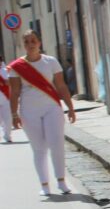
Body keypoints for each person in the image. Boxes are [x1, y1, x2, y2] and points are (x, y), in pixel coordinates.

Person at [9, 30, 76, 195]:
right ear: (23, 45)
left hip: (51, 107)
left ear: (39, 43)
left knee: (56, 144)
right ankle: (44, 185)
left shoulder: (50, 62)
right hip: (29, 110)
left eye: (33, 41)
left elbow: (61, 86)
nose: (30, 45)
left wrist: (70, 107)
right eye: (26, 42)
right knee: (39, 149)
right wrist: (14, 114)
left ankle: (61, 181)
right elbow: (15, 92)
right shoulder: (16, 67)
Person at [0, 56, 12, 143]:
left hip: (6, 98)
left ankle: (7, 135)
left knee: (8, 119)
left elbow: (10, 82)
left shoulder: (5, 70)